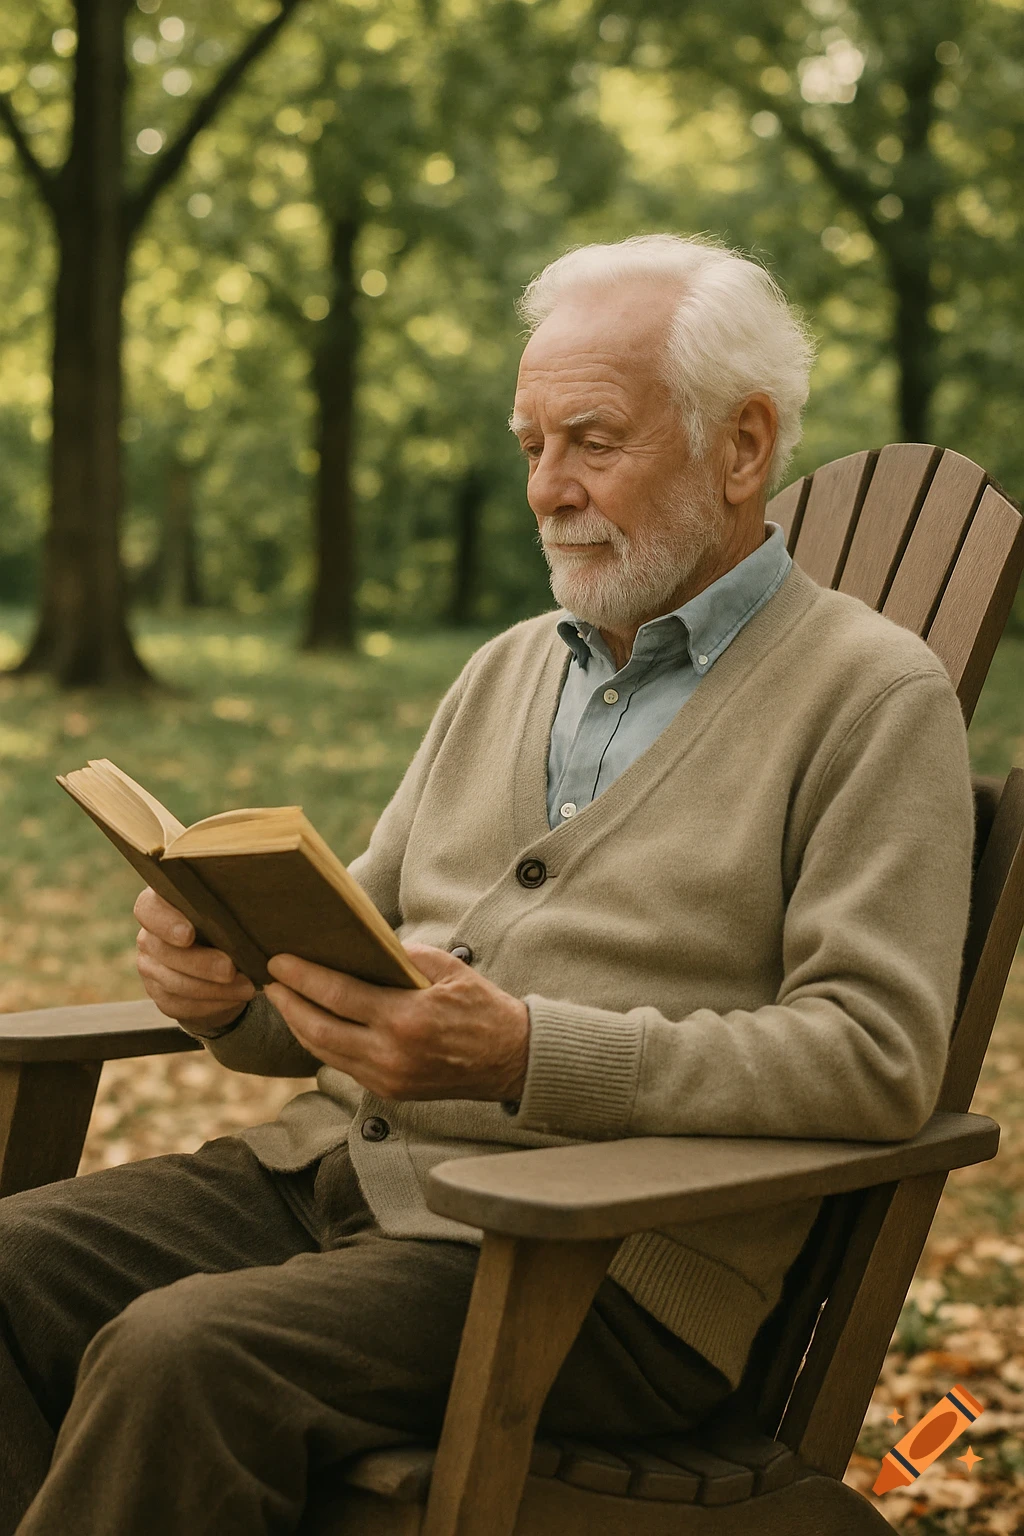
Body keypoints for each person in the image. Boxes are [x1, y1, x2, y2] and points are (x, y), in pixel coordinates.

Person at [0, 235, 975, 1536]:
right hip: (337, 1180)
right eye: (530, 445)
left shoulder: (872, 698)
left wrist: (523, 1053)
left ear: (743, 448)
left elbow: (877, 1057)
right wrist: (229, 988)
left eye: (591, 439)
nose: (546, 488)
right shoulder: (511, 668)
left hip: (586, 1268)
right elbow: (353, 969)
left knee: (181, 1356)